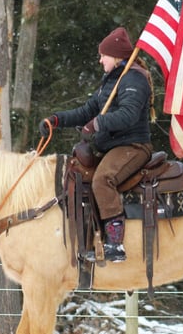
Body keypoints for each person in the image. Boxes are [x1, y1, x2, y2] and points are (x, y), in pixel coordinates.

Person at [39, 27, 154, 262]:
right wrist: (56, 120)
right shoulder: (110, 81)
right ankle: (87, 239)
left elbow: (129, 115)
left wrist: (98, 123)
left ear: (116, 56)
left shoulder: (134, 78)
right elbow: (87, 111)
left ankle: (115, 242)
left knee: (103, 179)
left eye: (104, 55)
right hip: (112, 147)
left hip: (133, 147)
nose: (100, 60)